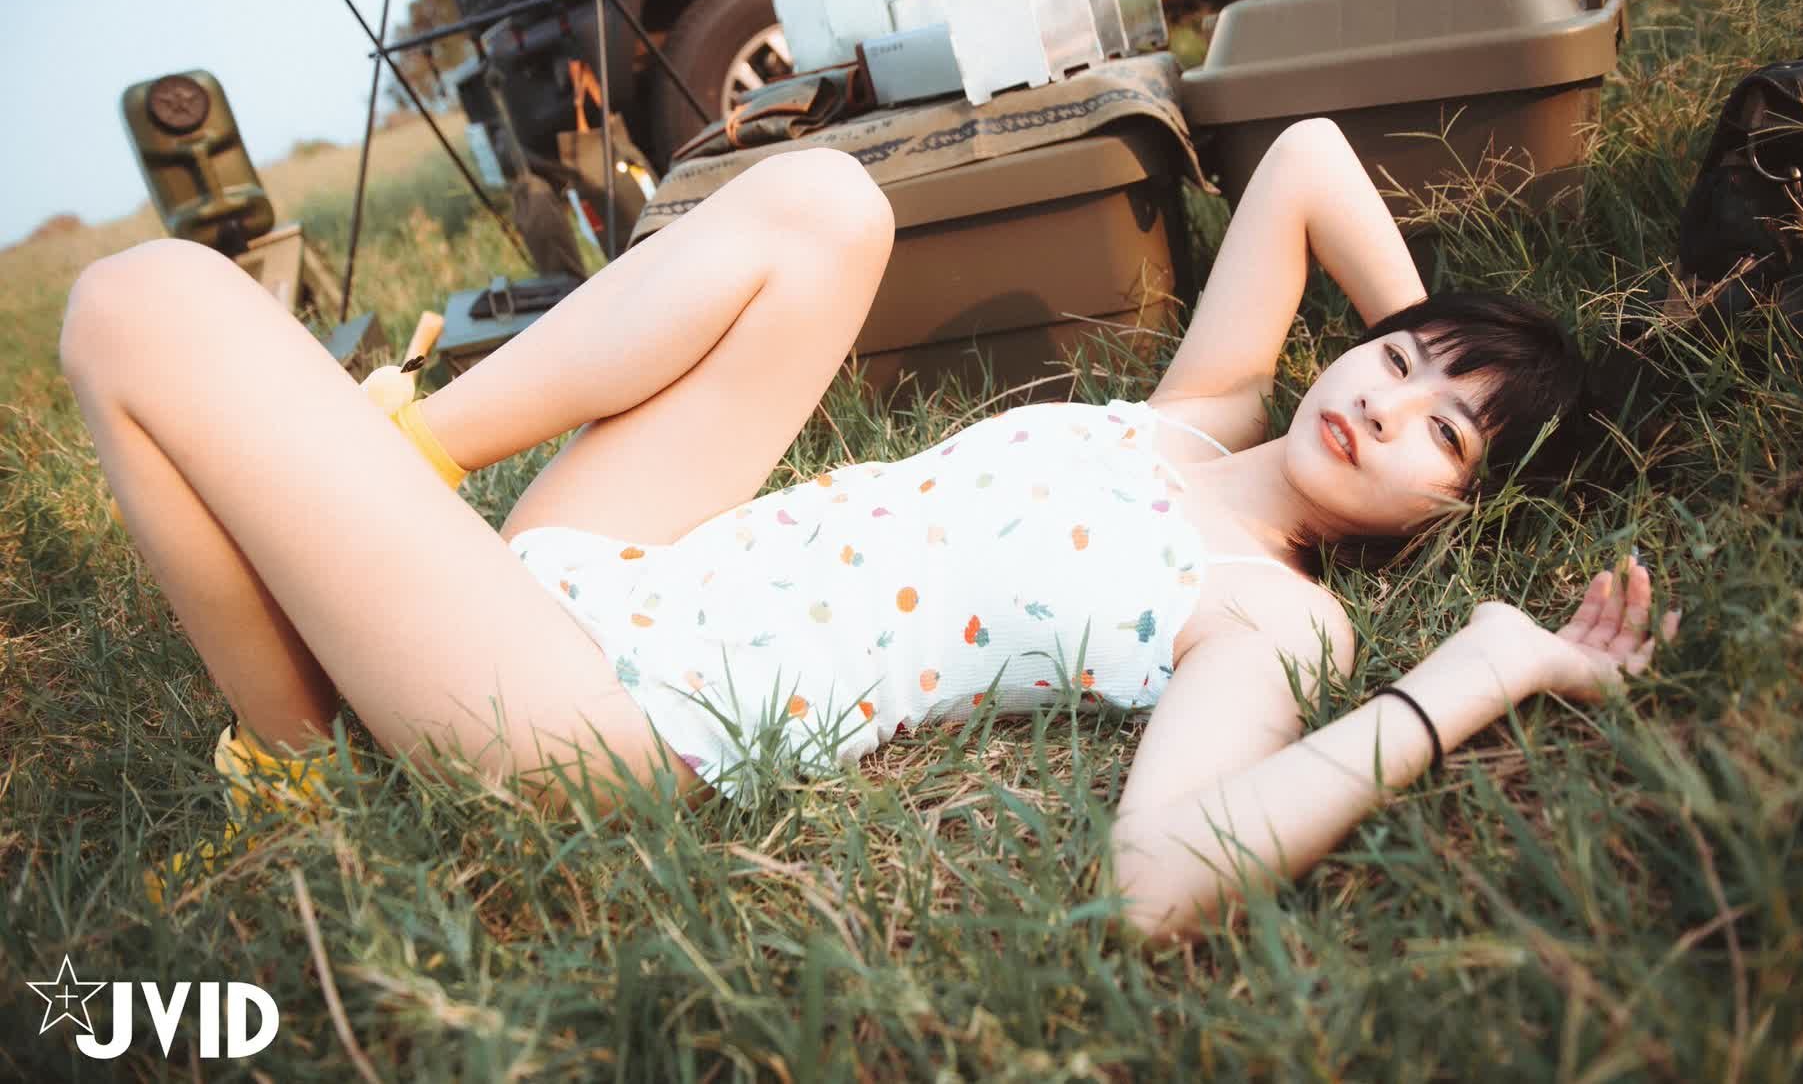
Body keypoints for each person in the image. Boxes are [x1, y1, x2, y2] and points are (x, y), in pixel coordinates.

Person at [61, 119, 1677, 939]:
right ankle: (406, 450)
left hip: (608, 710)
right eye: (1394, 361)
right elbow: (1310, 162)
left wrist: (1473, 663)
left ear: (1455, 507)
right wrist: (1466, 337)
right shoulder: (1205, 407)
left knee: (141, 303)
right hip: (613, 564)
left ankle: (302, 751)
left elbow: (1157, 876)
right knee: (831, 204)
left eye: (1441, 434)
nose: (1383, 405)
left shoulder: (1271, 612)